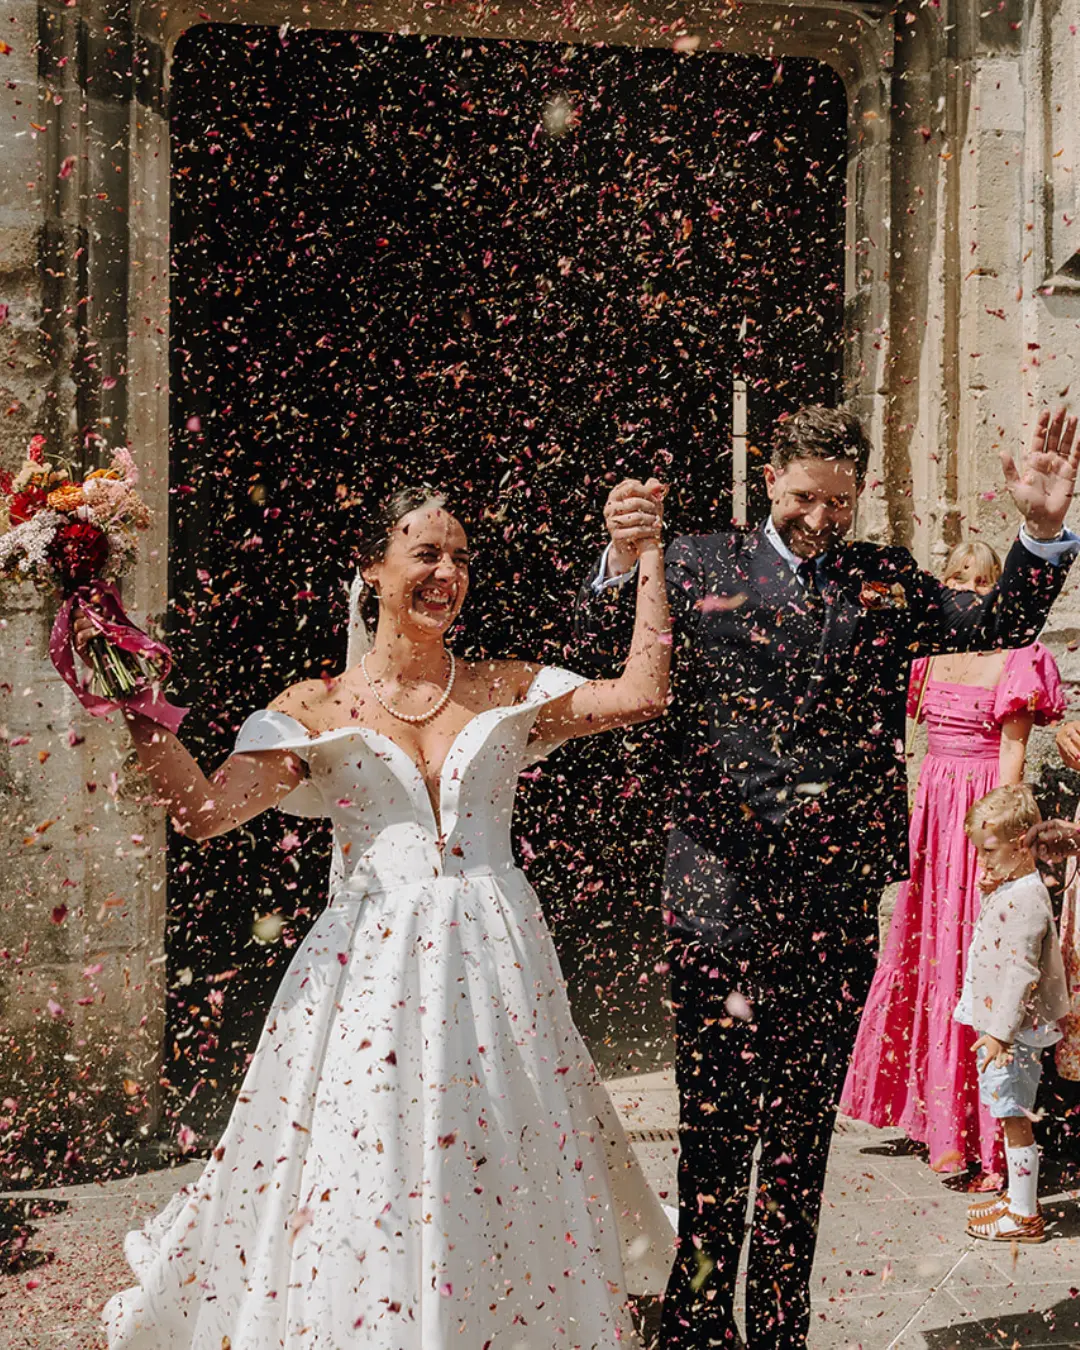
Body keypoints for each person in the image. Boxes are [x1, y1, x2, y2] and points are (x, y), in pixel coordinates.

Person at [96, 484, 675, 1349]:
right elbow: (207, 814)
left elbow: (642, 692)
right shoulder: (316, 705)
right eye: (427, 555)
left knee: (504, 1155)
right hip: (371, 974)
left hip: (498, 962)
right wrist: (135, 704)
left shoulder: (502, 685)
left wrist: (650, 555)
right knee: (375, 1158)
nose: (449, 574)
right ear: (371, 569)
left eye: (463, 558)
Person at [575, 404, 1080, 1349]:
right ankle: (693, 1322)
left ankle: (777, 1328)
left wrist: (1043, 533)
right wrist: (617, 557)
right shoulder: (692, 561)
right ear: (770, 479)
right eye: (806, 498)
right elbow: (608, 644)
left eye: (840, 503)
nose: (820, 520)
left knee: (804, 1130)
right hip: (716, 884)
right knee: (717, 1119)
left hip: (835, 894)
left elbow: (998, 622)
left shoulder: (883, 576)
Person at [841, 542, 1063, 1187]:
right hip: (932, 812)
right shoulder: (928, 655)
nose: (968, 588)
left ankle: (979, 1130)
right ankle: (933, 1117)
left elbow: (1013, 762)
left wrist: (1003, 842)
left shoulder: (1019, 657)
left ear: (1000, 589)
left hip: (980, 814)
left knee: (977, 956)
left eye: (982, 579)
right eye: (957, 577)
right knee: (929, 952)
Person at [956, 784, 1070, 1243]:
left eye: (989, 852)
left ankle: (1024, 1214)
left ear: (1022, 842)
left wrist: (1000, 1034)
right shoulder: (1018, 885)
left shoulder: (1025, 898)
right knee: (1009, 1112)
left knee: (1013, 1115)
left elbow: (1021, 969)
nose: (982, 862)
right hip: (1006, 1028)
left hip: (1014, 1033)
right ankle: (1017, 1200)